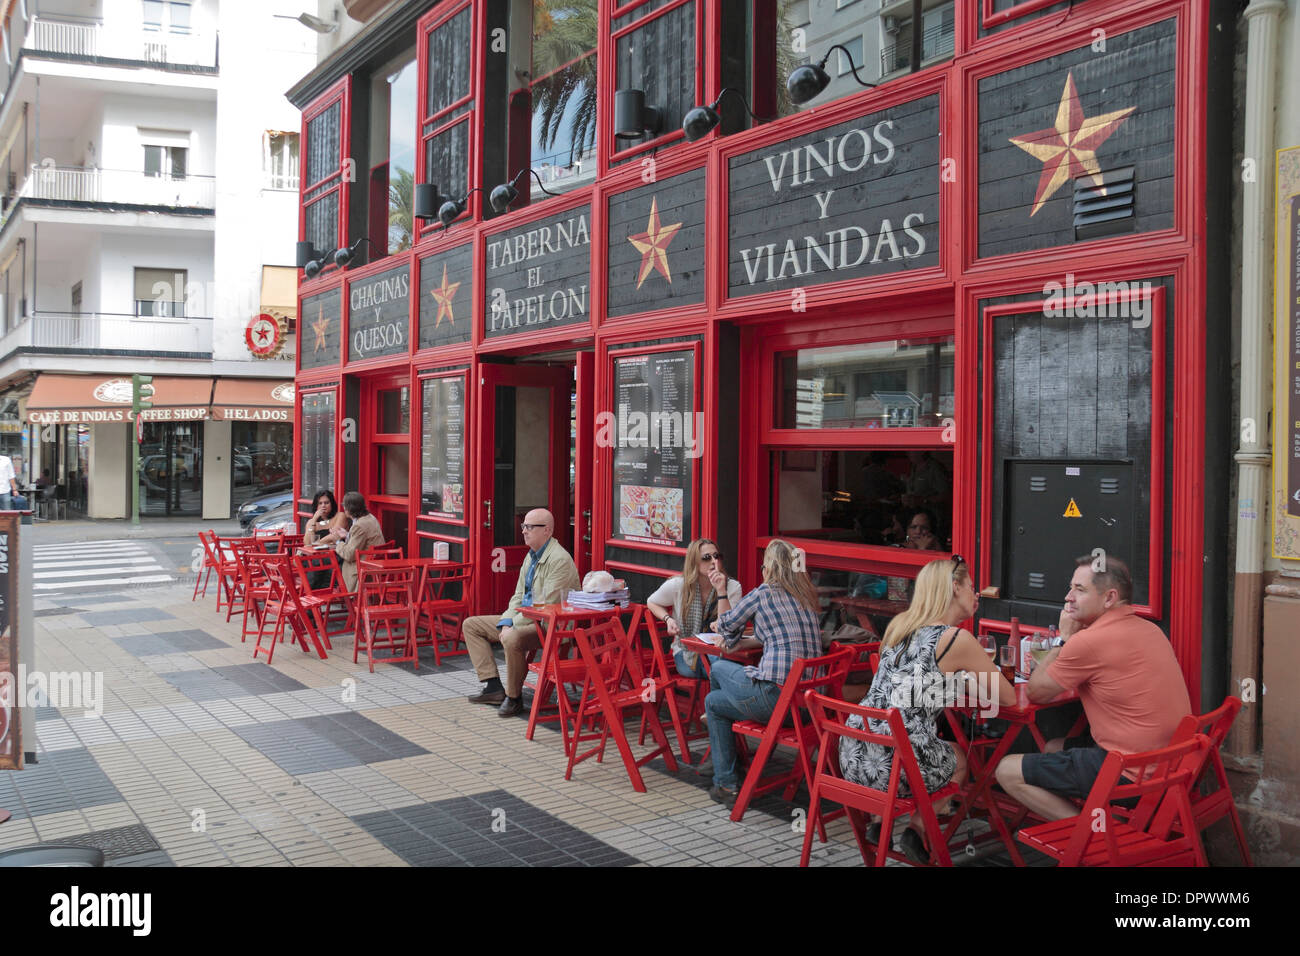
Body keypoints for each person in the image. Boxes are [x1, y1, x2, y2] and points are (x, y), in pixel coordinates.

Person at [838, 556, 1015, 862]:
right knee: (959, 758)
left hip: (854, 753)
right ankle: (917, 830)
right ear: (955, 587)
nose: (975, 594)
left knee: (916, 743)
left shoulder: (899, 627)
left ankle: (881, 825)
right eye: (971, 586)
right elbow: (1008, 698)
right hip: (891, 764)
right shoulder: (957, 638)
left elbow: (914, 683)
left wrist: (961, 680)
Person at [995, 555, 1192, 821]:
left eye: (1080, 589)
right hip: (1168, 769)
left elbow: (1036, 692)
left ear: (1109, 598)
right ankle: (1099, 824)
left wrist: (1064, 639)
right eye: (1070, 587)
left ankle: (1092, 836)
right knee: (1053, 746)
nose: (1068, 597)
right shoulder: (1151, 630)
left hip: (1128, 773)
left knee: (1005, 770)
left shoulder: (1089, 641)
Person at [703, 539, 823, 808]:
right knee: (714, 704)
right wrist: (736, 639)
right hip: (809, 707)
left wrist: (722, 595)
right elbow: (774, 635)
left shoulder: (763, 593)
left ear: (769, 567)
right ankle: (724, 781)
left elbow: (725, 628)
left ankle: (729, 781)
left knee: (719, 666)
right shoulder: (807, 596)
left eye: (763, 565)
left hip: (776, 701)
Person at [463, 509, 580, 717]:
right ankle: (493, 687)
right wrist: (508, 621)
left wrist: (512, 626)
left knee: (512, 638)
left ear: (547, 531)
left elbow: (545, 607)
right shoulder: (532, 555)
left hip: (549, 625)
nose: (524, 531)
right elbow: (518, 595)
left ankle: (514, 698)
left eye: (529, 527)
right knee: (471, 625)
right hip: (525, 619)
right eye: (523, 526)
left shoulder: (559, 560)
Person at [645, 538, 743, 680]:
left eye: (717, 556)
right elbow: (652, 602)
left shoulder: (732, 587)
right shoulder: (679, 585)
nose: (714, 562)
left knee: (721, 665)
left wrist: (721, 591)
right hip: (687, 653)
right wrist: (668, 619)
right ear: (694, 562)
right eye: (706, 558)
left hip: (721, 650)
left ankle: (717, 698)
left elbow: (728, 627)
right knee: (722, 669)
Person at [333, 492, 384, 592]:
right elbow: (363, 540)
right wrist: (347, 535)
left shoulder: (359, 526)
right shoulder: (370, 517)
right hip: (373, 564)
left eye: (345, 506)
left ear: (349, 509)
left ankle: (344, 596)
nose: (344, 508)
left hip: (361, 569)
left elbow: (349, 554)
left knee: (332, 564)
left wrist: (338, 542)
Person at [302, 490, 350, 589]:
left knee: (315, 564)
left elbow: (334, 536)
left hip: (336, 554)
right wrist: (314, 519)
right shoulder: (312, 522)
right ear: (316, 506)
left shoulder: (339, 516)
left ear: (332, 504)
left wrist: (315, 544)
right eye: (320, 503)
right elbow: (307, 542)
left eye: (326, 503)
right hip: (318, 556)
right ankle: (313, 593)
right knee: (314, 563)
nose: (323, 506)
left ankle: (309, 591)